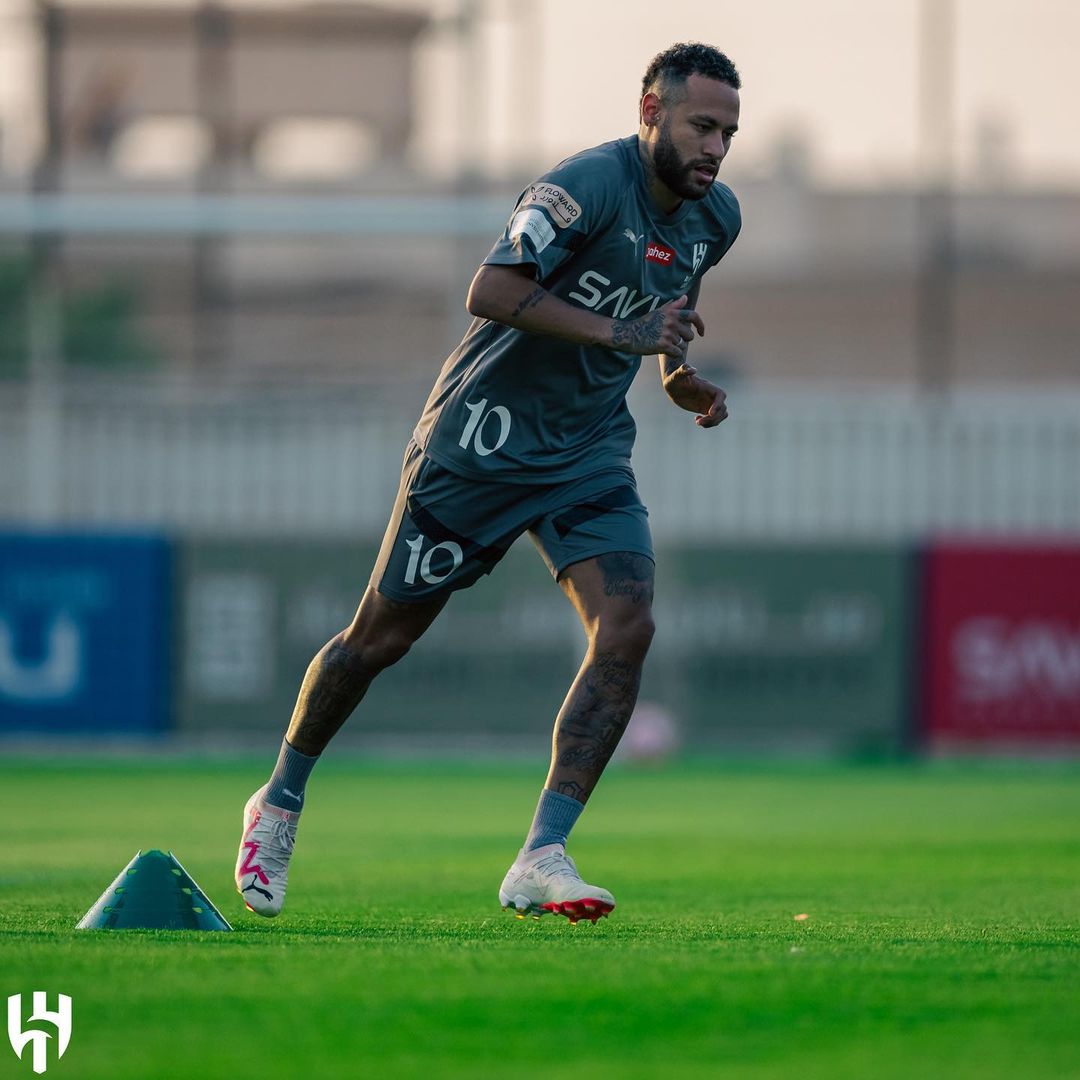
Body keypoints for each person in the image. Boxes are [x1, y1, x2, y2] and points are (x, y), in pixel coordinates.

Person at [235, 41, 742, 924]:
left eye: (729, 133)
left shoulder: (715, 219)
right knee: (375, 643)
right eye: (702, 126)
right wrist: (626, 343)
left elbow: (662, 318)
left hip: (585, 453)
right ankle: (276, 803)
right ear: (651, 112)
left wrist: (673, 376)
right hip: (477, 447)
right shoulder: (583, 185)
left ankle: (542, 853)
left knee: (627, 626)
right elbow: (489, 288)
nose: (716, 149)